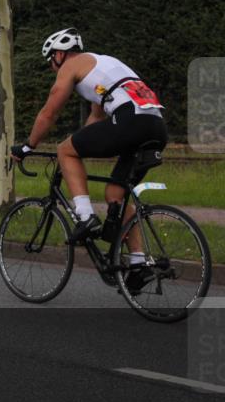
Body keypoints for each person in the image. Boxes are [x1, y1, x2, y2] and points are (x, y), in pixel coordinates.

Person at [11, 28, 168, 273]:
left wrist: (28, 145)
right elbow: (96, 118)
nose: (53, 67)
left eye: (51, 61)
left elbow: (49, 112)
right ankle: (139, 263)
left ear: (59, 55)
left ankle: (85, 217)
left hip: (130, 121)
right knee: (116, 194)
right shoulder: (105, 65)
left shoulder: (71, 65)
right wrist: (79, 145)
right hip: (156, 126)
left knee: (64, 150)